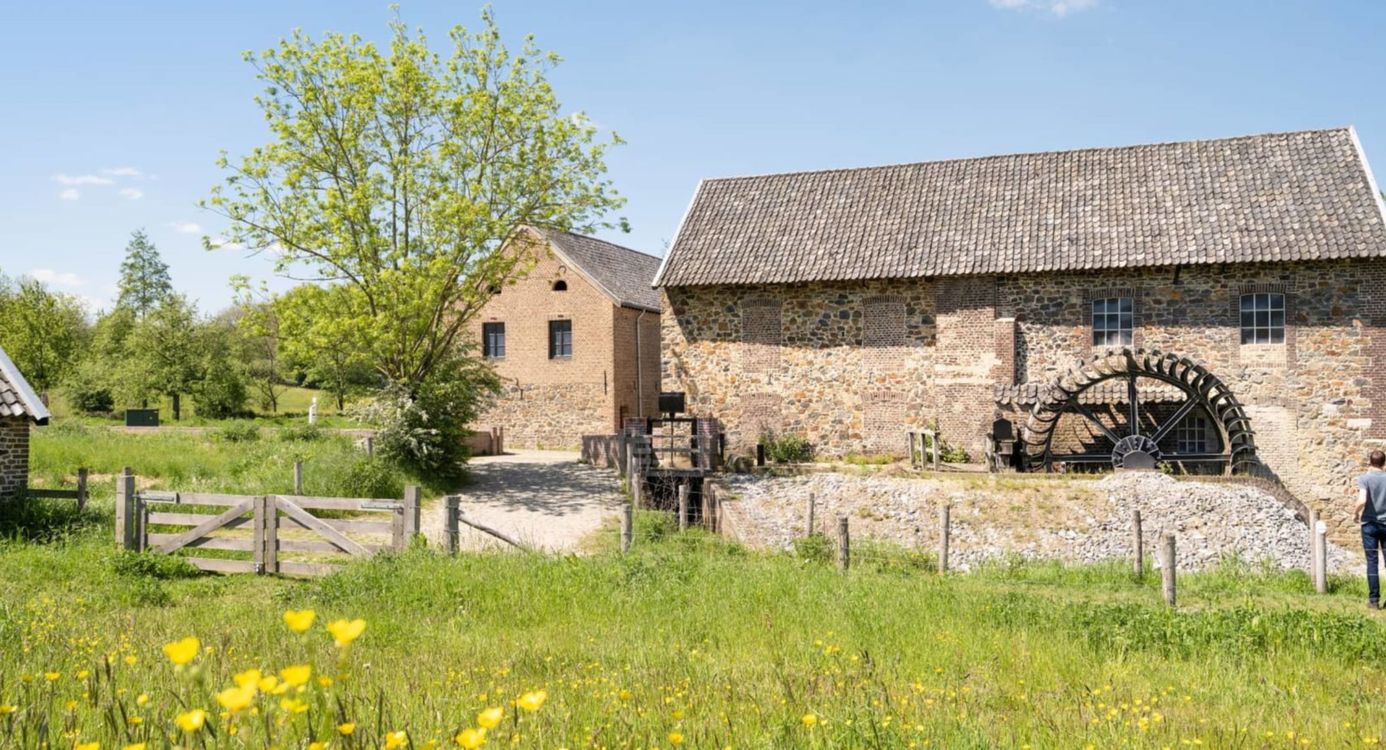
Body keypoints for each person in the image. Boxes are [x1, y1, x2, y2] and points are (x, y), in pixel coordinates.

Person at [1355, 449, 1386, 609]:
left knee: (1372, 562)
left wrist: (1356, 513)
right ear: (1384, 463)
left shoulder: (1364, 479)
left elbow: (1362, 500)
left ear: (1370, 462)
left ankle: (1374, 601)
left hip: (1369, 526)